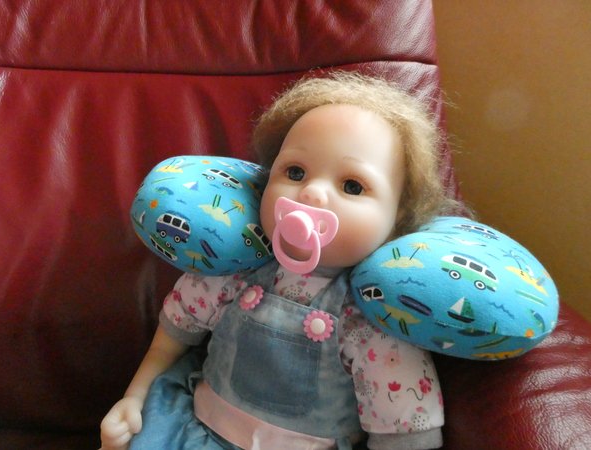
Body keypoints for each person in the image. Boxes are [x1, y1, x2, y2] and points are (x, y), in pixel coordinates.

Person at [100, 72, 459, 450]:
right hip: (190, 430)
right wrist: (134, 398)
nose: (312, 193)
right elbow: (175, 331)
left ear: (397, 220)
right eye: (295, 172)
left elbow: (403, 433)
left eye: (352, 185)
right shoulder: (234, 270)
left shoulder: (373, 320)